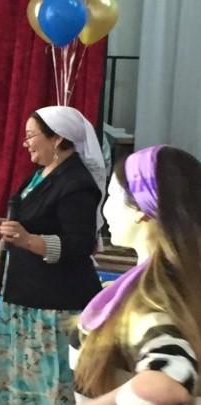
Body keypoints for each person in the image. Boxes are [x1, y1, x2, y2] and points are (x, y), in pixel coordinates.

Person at [0, 106, 106, 404]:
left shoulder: (77, 183)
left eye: (31, 135)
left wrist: (29, 239)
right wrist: (8, 227)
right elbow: (37, 220)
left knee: (48, 385)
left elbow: (79, 244)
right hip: (24, 296)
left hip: (53, 305)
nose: (25, 143)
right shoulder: (40, 174)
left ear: (57, 138)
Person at [70, 145, 201, 404]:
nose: (105, 209)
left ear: (140, 209)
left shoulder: (152, 299)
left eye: (111, 195)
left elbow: (165, 385)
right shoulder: (184, 282)